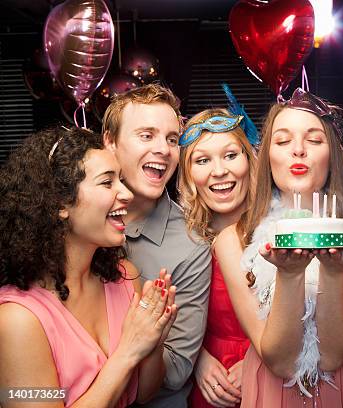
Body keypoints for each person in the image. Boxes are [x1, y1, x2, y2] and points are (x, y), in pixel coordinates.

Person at [213, 87, 343, 407]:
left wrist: (335, 271)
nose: (298, 150)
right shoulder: (233, 240)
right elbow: (280, 362)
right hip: (273, 389)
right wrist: (291, 274)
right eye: (282, 141)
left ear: (332, 154)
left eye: (313, 140)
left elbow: (335, 355)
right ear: (267, 155)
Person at [0, 127, 178, 407]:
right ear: (60, 203)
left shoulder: (124, 278)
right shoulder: (17, 321)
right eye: (108, 183)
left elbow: (145, 393)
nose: (126, 194)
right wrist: (129, 350)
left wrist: (154, 340)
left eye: (121, 179)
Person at [102, 84, 212, 408]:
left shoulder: (191, 244)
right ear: (109, 142)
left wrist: (146, 328)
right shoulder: (77, 226)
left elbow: (176, 370)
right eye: (146, 135)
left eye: (171, 139)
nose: (163, 149)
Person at [177, 105, 258, 408]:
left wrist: (259, 358)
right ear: (188, 174)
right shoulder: (179, 241)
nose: (219, 171)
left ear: (250, 161)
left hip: (272, 376)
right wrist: (195, 360)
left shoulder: (280, 230)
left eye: (230, 155)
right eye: (202, 160)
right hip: (210, 386)